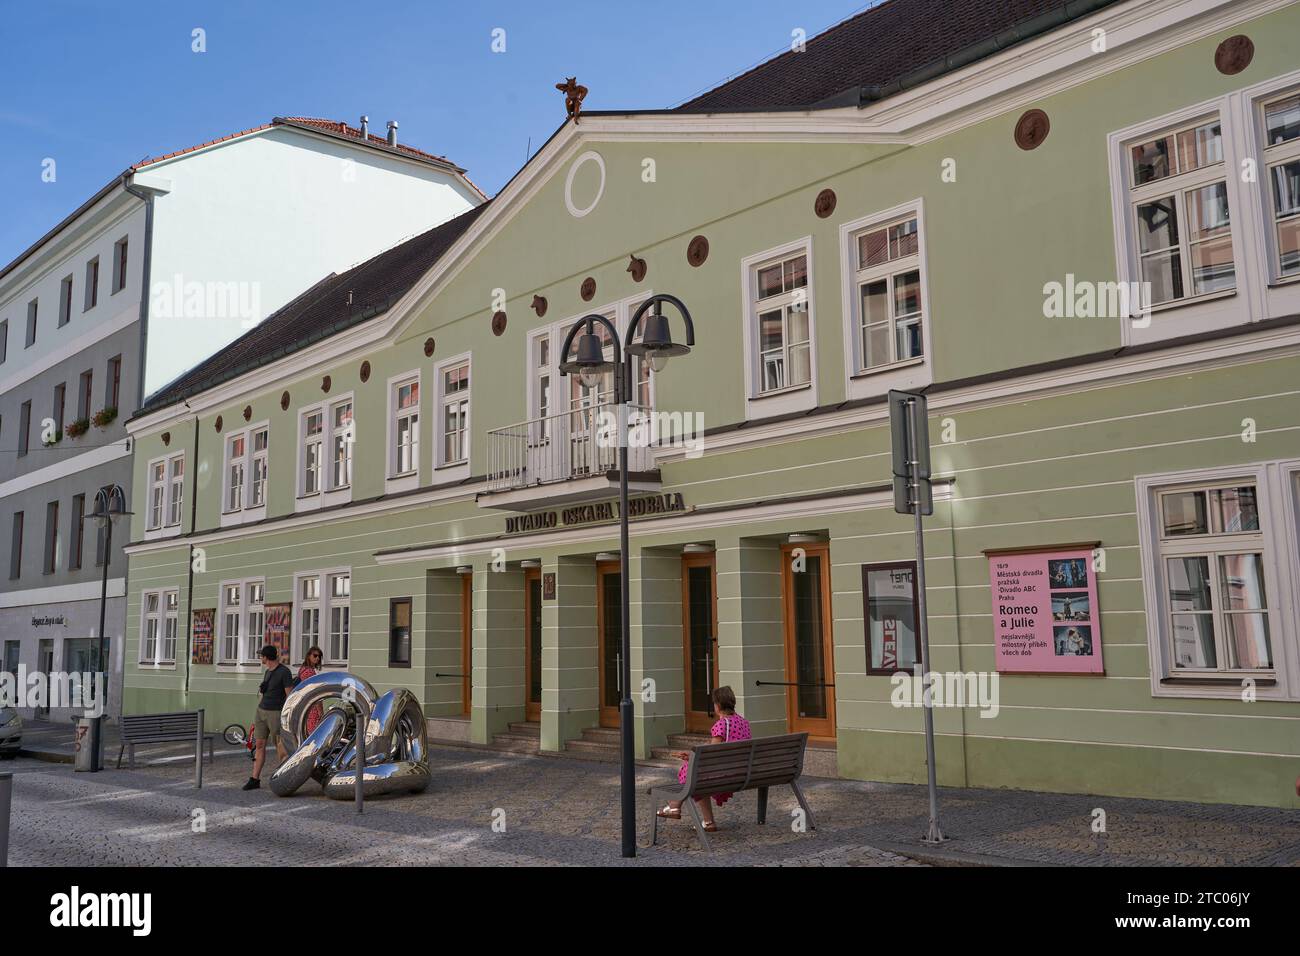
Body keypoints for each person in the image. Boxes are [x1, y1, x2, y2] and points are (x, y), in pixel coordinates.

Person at [657, 686, 750, 833]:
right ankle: (708, 822)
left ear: (718, 706)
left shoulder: (721, 725)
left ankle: (674, 805)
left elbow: (711, 755)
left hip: (723, 775)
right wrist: (692, 756)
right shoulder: (743, 722)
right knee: (696, 769)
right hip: (740, 773)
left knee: (694, 772)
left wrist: (692, 758)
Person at [242, 645, 298, 791]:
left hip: (276, 712)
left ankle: (285, 778)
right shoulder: (267, 672)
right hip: (262, 711)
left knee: (280, 745)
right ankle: (255, 779)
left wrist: (287, 716)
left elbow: (290, 696)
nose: (261, 658)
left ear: (267, 657)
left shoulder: (284, 672)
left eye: (262, 656)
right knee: (259, 744)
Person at [297, 646, 325, 736]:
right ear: (309, 656)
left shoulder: (303, 669)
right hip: (312, 707)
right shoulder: (310, 672)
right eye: (315, 655)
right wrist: (320, 711)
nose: (317, 658)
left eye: (319, 656)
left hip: (306, 705)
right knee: (314, 735)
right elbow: (315, 693)